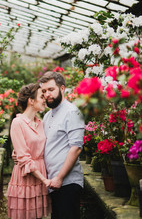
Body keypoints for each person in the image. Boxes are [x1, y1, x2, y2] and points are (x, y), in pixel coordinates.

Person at [39, 71, 85, 219]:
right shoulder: (47, 115)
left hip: (67, 183)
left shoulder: (72, 112)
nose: (47, 94)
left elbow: (76, 148)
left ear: (62, 88)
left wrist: (59, 177)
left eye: (51, 89)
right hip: (53, 183)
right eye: (44, 91)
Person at [7, 83, 51, 219]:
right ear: (31, 101)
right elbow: (24, 156)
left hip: (39, 177)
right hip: (26, 178)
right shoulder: (18, 123)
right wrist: (45, 179)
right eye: (41, 96)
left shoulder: (41, 123)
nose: (45, 99)